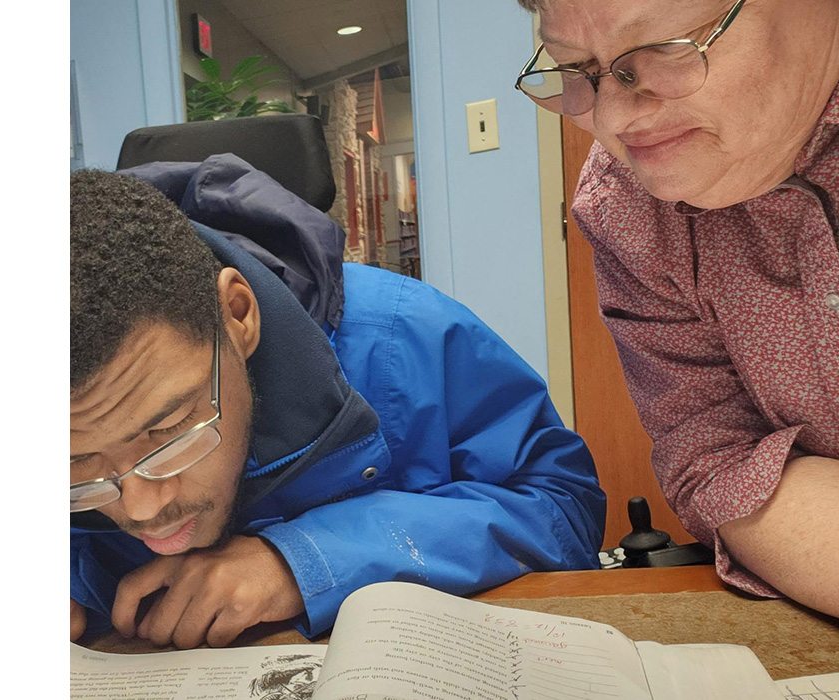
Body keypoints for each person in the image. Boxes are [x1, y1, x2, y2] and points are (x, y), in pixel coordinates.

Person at [69, 157, 606, 648]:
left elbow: (564, 511)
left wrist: (304, 562)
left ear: (238, 315)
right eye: (78, 466)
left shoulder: (407, 339)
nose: (141, 508)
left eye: (172, 433)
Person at [513, 0, 839, 619]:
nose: (614, 123)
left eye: (666, 47)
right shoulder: (626, 206)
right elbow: (713, 457)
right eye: (575, 68)